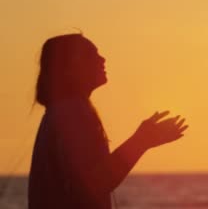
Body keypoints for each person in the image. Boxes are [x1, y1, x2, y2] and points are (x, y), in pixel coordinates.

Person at [28, 34, 188, 209]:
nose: (102, 59)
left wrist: (143, 140)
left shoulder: (60, 111)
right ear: (69, 67)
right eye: (90, 55)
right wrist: (141, 141)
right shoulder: (72, 112)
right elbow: (93, 185)